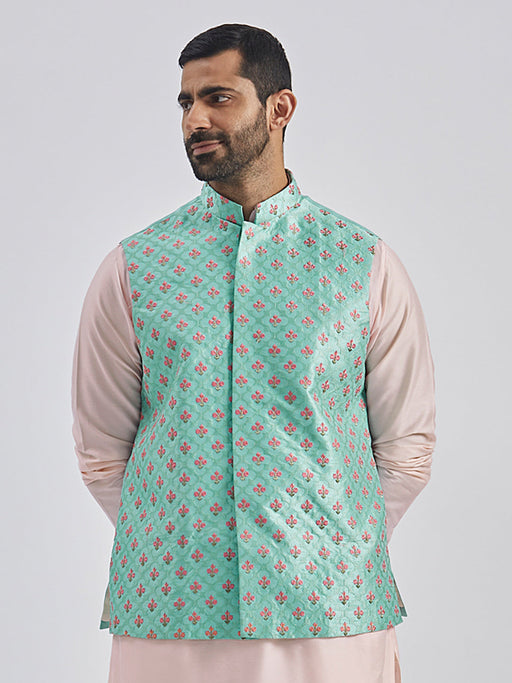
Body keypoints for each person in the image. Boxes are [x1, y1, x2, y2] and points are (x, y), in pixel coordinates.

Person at [72, 23, 435, 683]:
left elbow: (407, 449)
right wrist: (184, 545)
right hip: (170, 613)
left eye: (218, 97)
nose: (195, 119)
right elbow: (101, 455)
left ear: (279, 108)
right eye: (186, 102)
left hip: (333, 614)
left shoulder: (363, 265)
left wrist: (327, 547)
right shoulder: (134, 269)